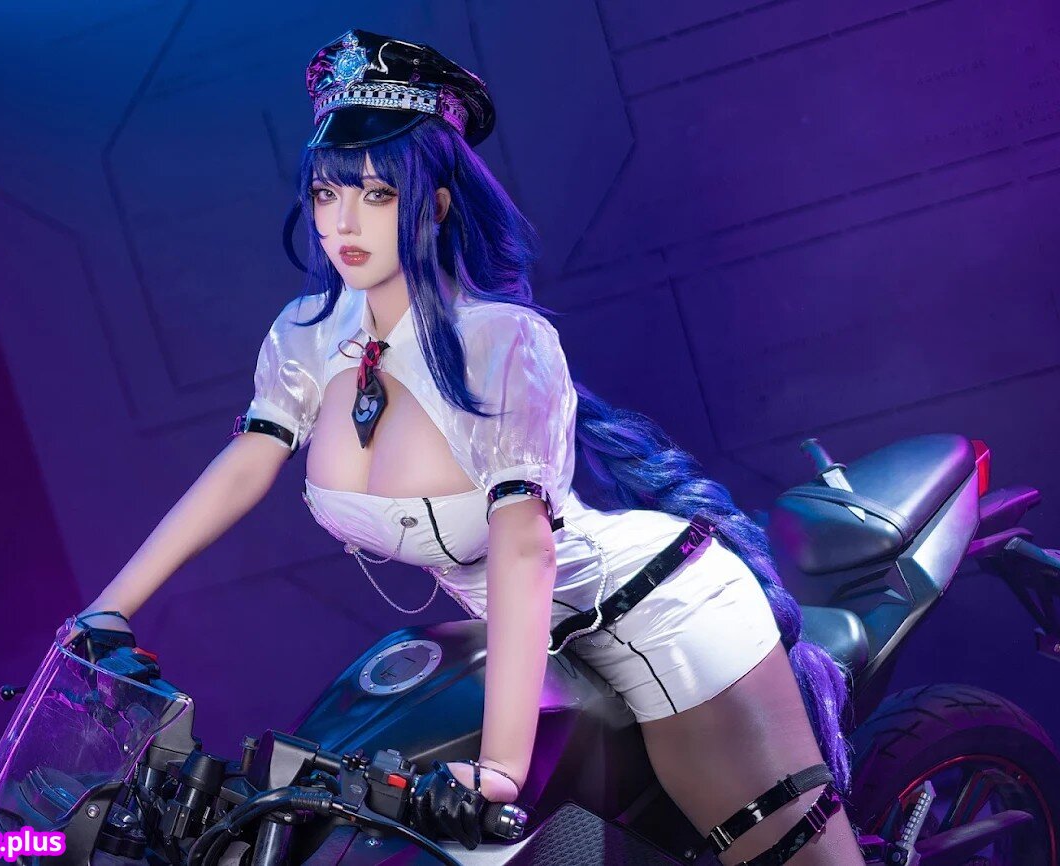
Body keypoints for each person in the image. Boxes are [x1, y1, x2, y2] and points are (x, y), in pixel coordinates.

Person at [72, 28, 865, 864]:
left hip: (653, 616)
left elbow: (525, 549)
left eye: (378, 193)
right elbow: (245, 467)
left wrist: (498, 772)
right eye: (326, 192)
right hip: (525, 644)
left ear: (437, 204)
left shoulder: (504, 343)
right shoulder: (307, 335)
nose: (344, 221)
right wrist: (108, 610)